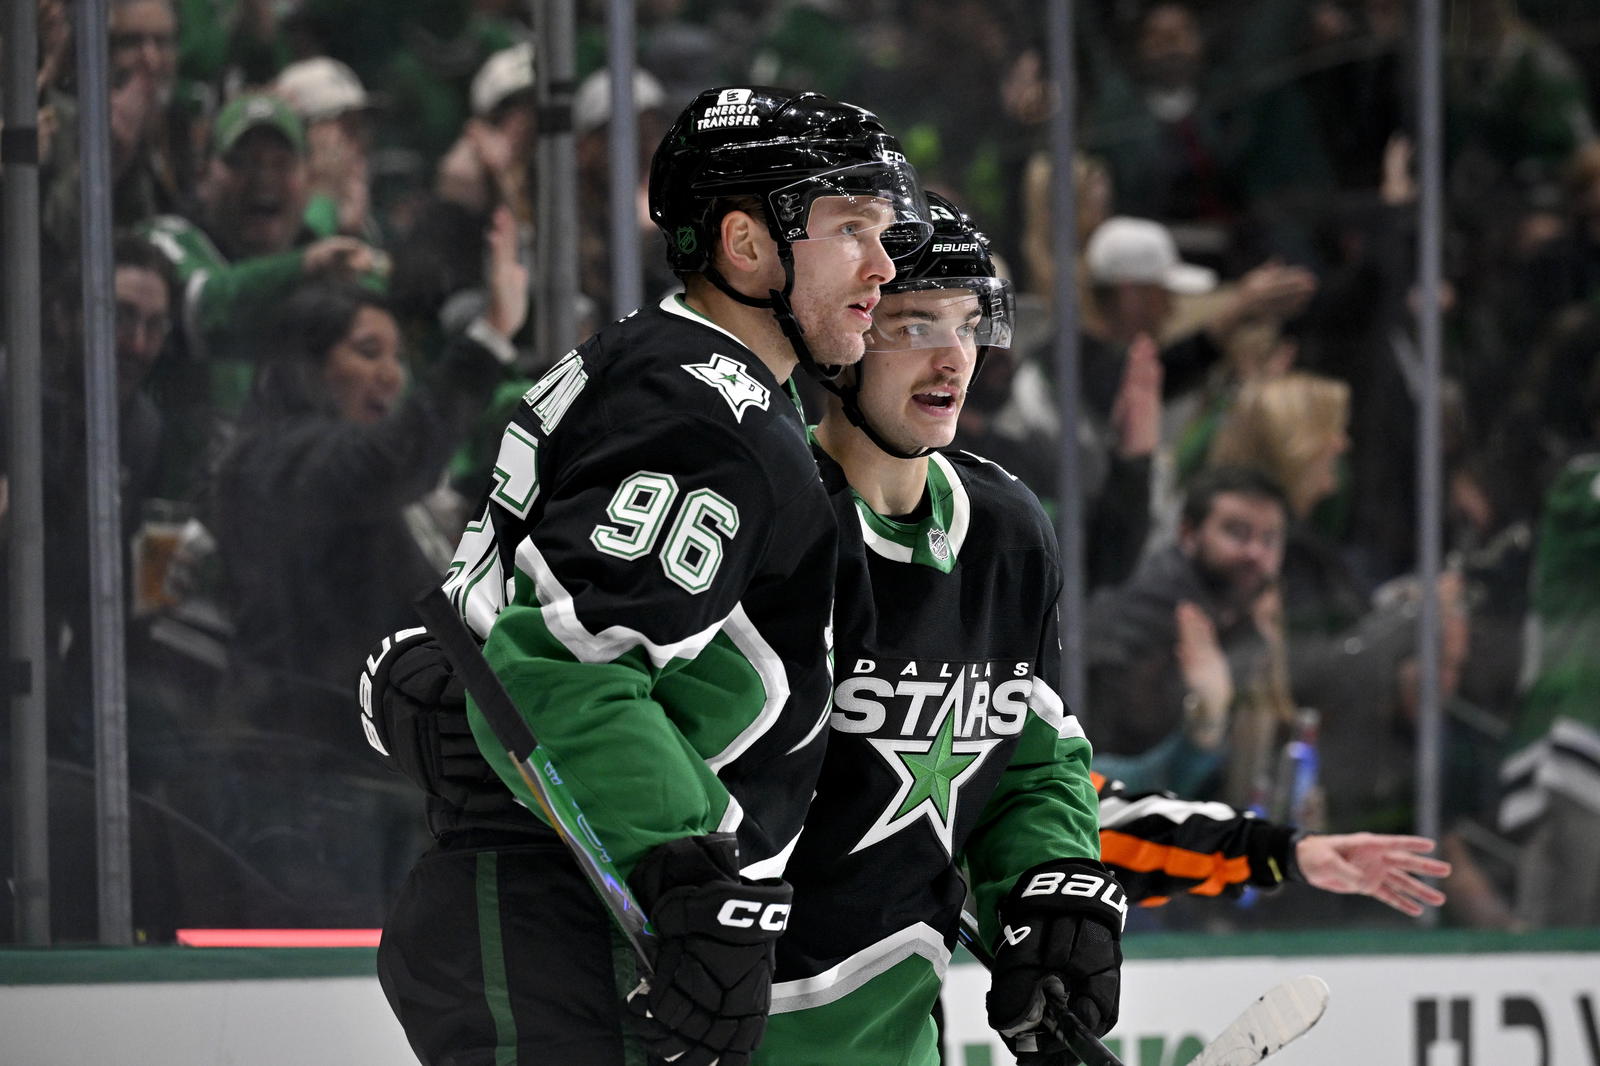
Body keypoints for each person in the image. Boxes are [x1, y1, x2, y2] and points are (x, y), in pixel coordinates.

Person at [360, 195, 1450, 1065]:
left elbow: (1026, 772)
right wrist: (444, 677)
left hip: (887, 1031)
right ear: (839, 338)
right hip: (712, 1025)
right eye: (912, 326)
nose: (951, 360)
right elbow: (574, 681)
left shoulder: (1008, 534)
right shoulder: (755, 516)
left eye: (968, 327)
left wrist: (1056, 884)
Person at [365, 86, 933, 1066]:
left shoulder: (670, 372)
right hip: (558, 916)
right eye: (850, 228)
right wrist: (693, 878)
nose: (883, 267)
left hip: (570, 905)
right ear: (747, 245)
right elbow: (563, 668)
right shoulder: (708, 410)